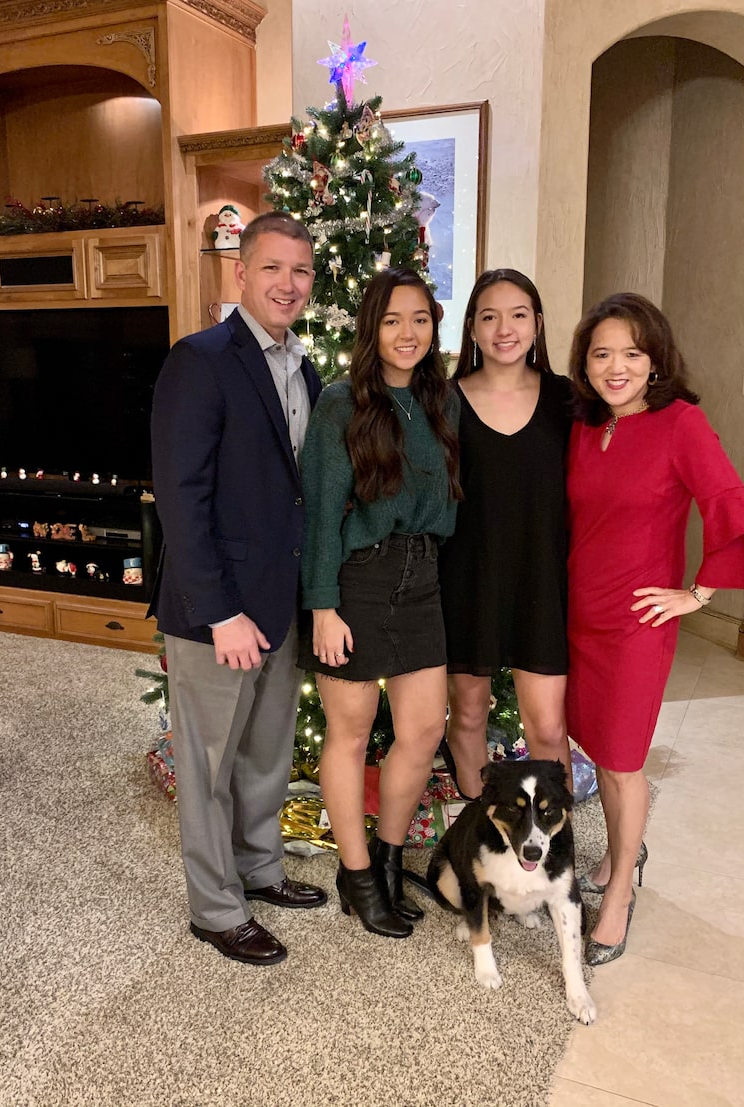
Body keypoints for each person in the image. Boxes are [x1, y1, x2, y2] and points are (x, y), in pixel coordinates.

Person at [149, 212, 327, 967]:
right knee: (208, 763)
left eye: (302, 272)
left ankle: (258, 870)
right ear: (241, 274)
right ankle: (215, 908)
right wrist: (220, 611)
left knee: (264, 755)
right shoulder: (201, 359)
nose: (288, 284)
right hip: (215, 611)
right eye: (274, 269)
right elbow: (181, 496)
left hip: (279, 603)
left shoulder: (306, 368)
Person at [566, 292, 744, 965]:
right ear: (585, 363)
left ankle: (620, 887)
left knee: (622, 761)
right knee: (593, 743)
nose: (615, 367)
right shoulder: (585, 425)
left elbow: (729, 504)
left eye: (630, 352)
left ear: (654, 359)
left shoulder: (680, 423)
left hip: (635, 623)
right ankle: (623, 852)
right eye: (601, 354)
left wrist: (697, 593)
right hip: (579, 612)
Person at [299, 268, 461, 939]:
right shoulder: (342, 403)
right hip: (357, 581)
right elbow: (320, 514)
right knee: (351, 732)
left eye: (420, 318)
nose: (407, 333)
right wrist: (323, 605)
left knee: (423, 730)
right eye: (393, 319)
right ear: (372, 327)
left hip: (422, 577)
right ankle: (357, 873)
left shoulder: (440, 401)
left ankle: (391, 861)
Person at [437, 269, 573, 802]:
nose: (504, 329)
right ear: (472, 329)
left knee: (546, 728)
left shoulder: (567, 400)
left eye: (518, 315)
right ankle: (484, 838)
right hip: (466, 581)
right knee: (468, 714)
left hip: (542, 583)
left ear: (537, 324)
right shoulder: (445, 401)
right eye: (489, 316)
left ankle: (553, 849)